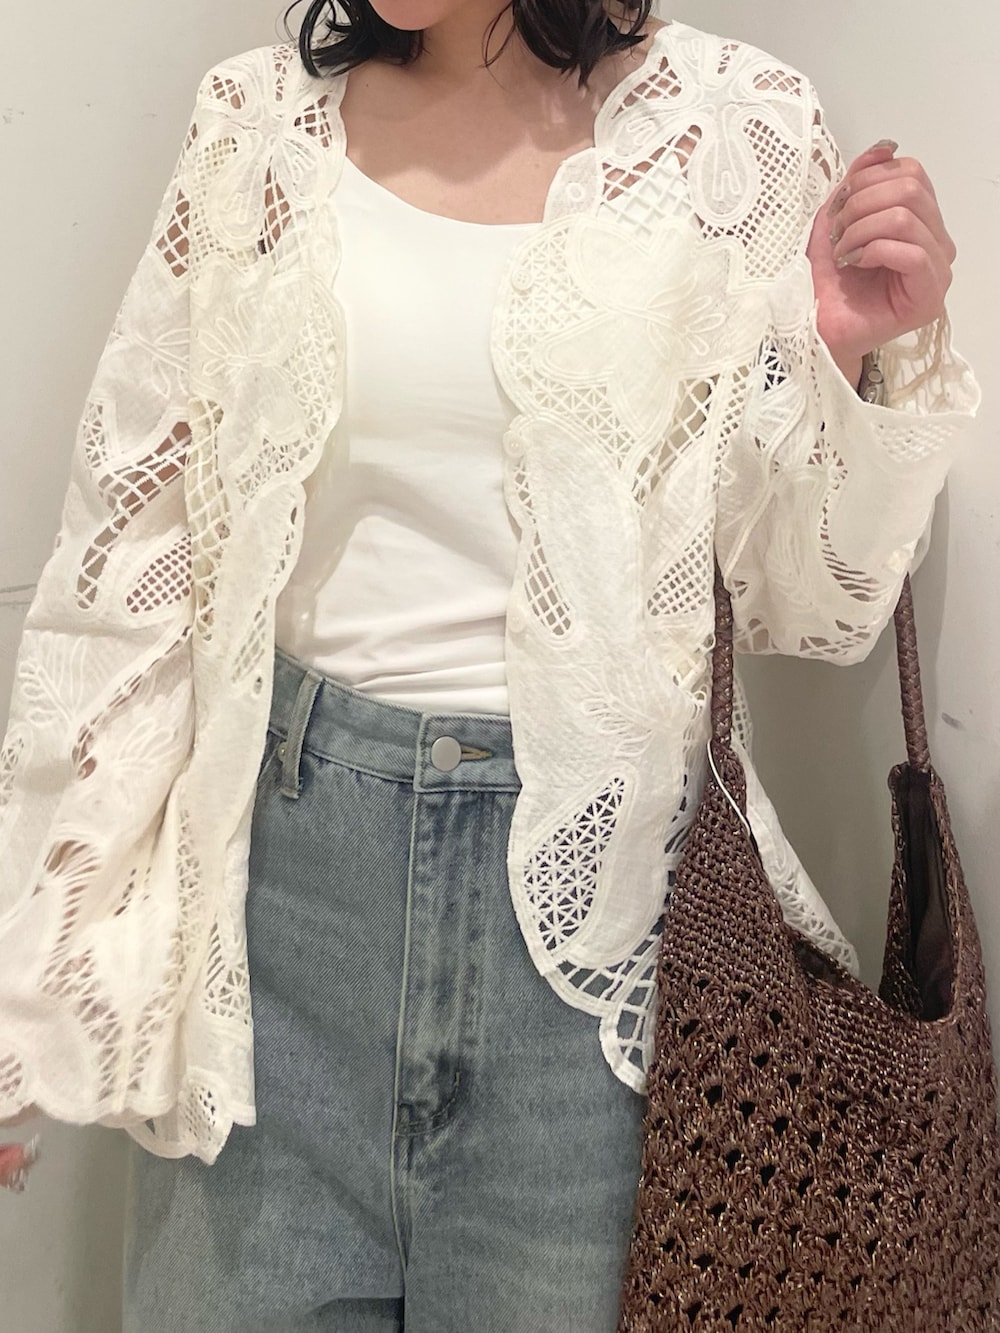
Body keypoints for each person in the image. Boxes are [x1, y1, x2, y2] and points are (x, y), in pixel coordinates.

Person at [0, 0, 979, 1328]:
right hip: (275, 928)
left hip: (595, 952)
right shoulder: (256, 125)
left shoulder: (734, 128)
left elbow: (806, 608)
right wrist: (35, 984)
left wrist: (840, 349)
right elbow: (131, 574)